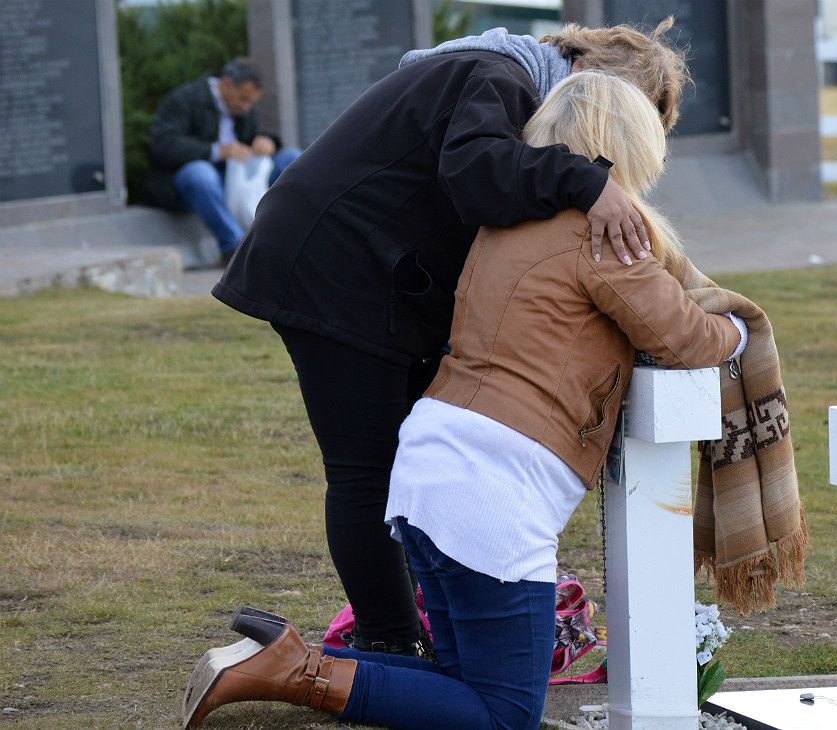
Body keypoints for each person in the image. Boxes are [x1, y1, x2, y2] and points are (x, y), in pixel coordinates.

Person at [184, 71, 745, 730]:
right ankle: (293, 668)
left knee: (463, 683)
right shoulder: (604, 235)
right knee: (506, 715)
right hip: (496, 489)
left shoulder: (501, 222)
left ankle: (288, 660)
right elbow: (683, 336)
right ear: (632, 145)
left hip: (431, 466)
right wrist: (738, 328)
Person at [140, 58, 302, 261]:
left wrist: (266, 141)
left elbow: (252, 135)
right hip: (192, 180)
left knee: (293, 158)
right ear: (226, 84)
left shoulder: (244, 108)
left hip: (238, 177)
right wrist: (217, 151)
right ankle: (236, 248)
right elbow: (164, 145)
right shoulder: (184, 99)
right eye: (243, 99)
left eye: (251, 102)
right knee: (200, 174)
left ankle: (297, 235)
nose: (246, 107)